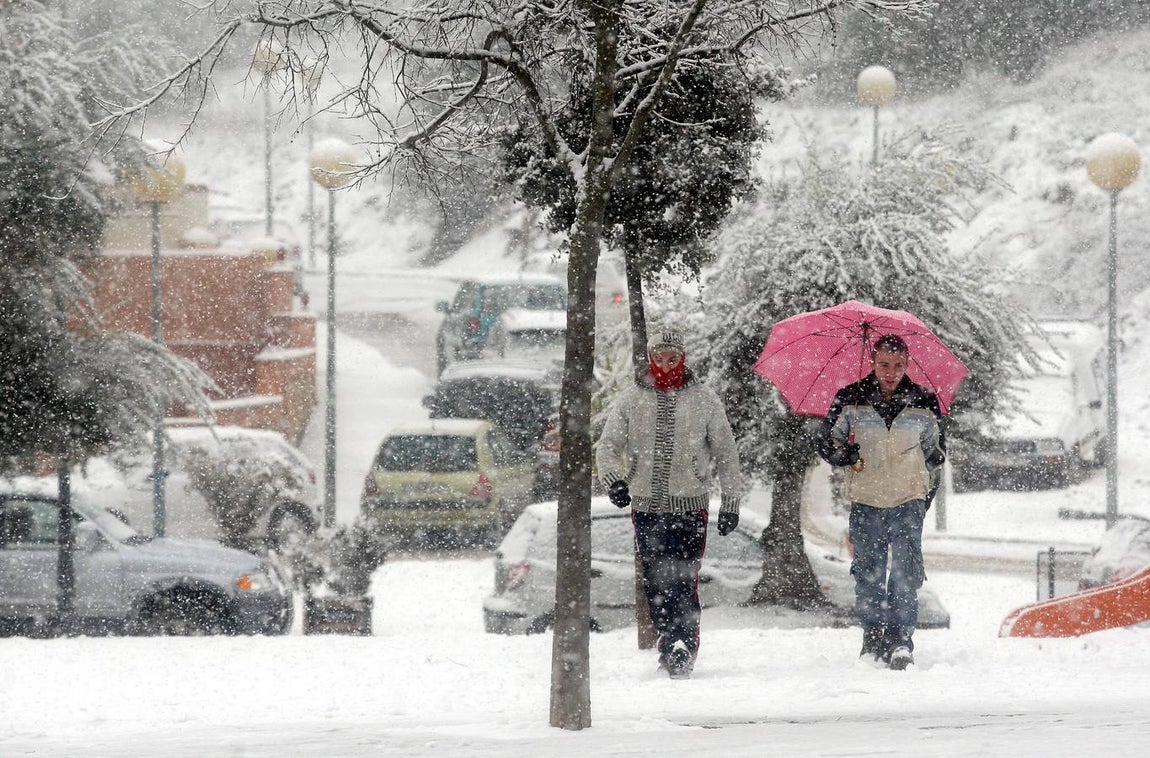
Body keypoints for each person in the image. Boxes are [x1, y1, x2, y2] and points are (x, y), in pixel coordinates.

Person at [595, 329, 745, 679]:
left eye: (672, 358)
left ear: (683, 357)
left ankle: (683, 646)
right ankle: (667, 637)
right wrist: (614, 481)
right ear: (650, 358)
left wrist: (731, 502)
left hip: (691, 505)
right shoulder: (631, 399)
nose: (666, 365)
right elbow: (607, 446)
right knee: (656, 580)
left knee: (683, 579)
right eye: (659, 358)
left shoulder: (704, 399)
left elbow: (726, 452)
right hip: (647, 506)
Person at [815, 333, 945, 670]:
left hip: (908, 500)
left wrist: (922, 496)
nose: (890, 372)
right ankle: (872, 640)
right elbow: (827, 444)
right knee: (868, 575)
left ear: (907, 364)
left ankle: (901, 642)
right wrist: (846, 452)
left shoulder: (924, 403)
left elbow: (935, 454)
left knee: (905, 575)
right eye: (884, 365)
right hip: (867, 500)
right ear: (872, 362)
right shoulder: (850, 400)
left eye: (898, 365)